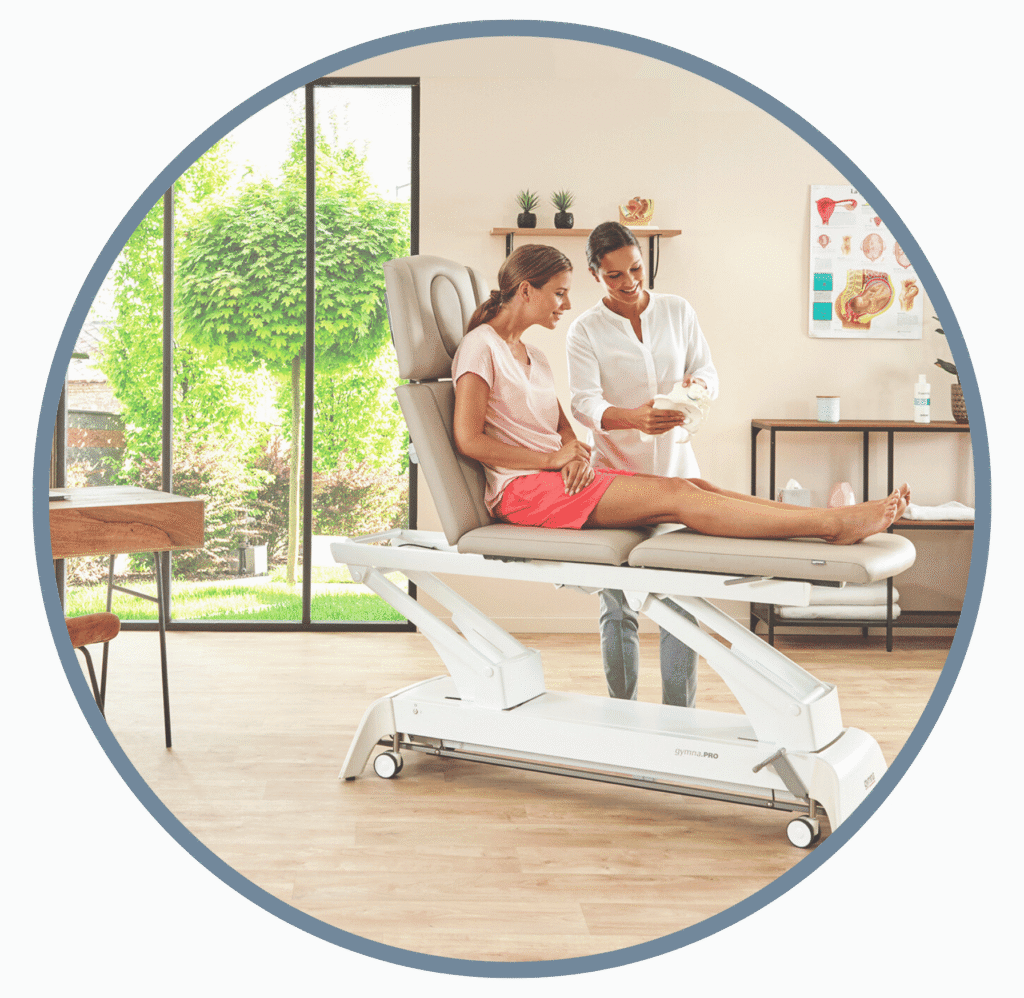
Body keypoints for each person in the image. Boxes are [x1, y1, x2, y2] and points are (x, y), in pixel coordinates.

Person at [451, 244, 906, 567]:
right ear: (526, 291)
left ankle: (833, 520)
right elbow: (468, 440)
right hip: (520, 491)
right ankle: (830, 526)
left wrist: (574, 451)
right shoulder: (480, 348)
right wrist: (552, 458)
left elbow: (560, 424)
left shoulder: (535, 354)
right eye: (559, 292)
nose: (567, 304)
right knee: (679, 495)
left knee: (693, 482)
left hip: (555, 479)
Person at [566, 221, 717, 709]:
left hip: (676, 471)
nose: (629, 281)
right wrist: (632, 418)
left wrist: (698, 386)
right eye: (614, 276)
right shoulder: (585, 329)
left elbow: (709, 371)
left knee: (679, 603)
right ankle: (620, 712)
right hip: (616, 480)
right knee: (618, 605)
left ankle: (680, 718)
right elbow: (583, 402)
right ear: (595, 275)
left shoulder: (677, 311)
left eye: (635, 268)